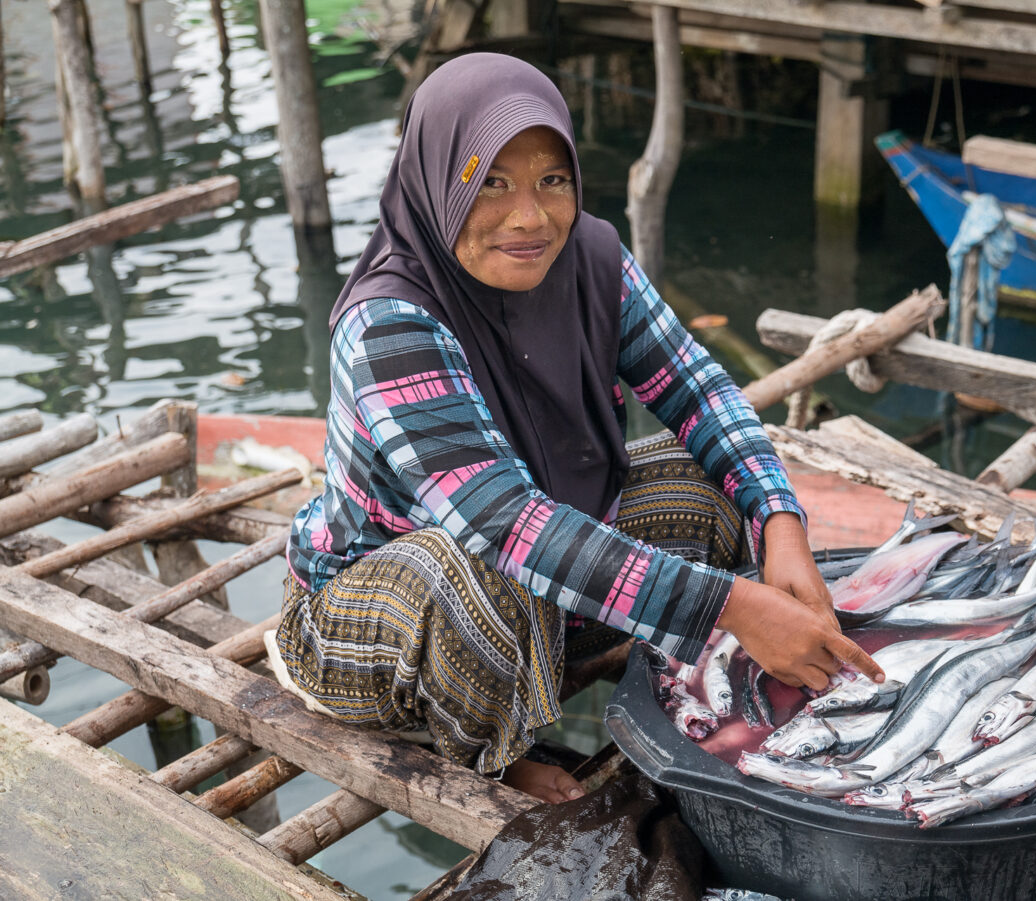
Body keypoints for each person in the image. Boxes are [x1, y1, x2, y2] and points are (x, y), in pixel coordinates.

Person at [271, 52, 882, 805]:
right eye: (490, 183)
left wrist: (780, 519)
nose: (529, 217)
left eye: (550, 180)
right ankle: (487, 753)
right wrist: (734, 604)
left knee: (707, 484)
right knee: (483, 568)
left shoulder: (591, 256)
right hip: (372, 633)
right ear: (436, 180)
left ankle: (598, 672)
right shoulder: (389, 321)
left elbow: (698, 390)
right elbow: (508, 525)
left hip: (544, 603)